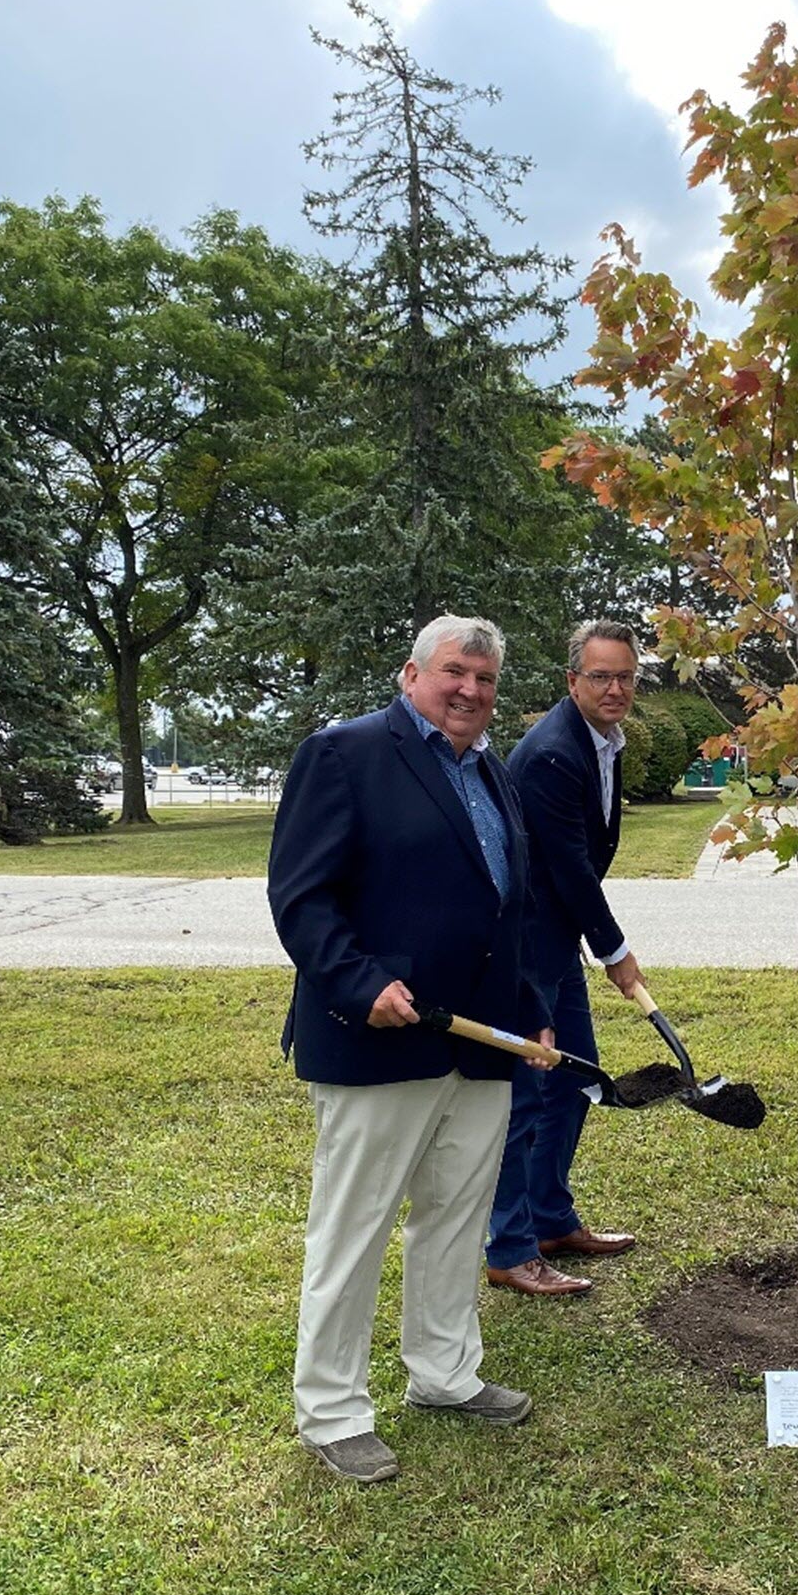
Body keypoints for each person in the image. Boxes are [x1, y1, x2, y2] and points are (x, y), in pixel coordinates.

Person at [267, 613, 559, 1484]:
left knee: (456, 1218)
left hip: (481, 1044)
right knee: (354, 1229)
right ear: (411, 674)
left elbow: (509, 907)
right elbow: (302, 896)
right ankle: (331, 1410)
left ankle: (444, 1373)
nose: (470, 690)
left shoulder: (492, 772)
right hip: (379, 1040)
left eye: (485, 679)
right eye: (454, 672)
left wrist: (533, 1012)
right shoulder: (344, 754)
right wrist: (360, 985)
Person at [487, 619, 646, 1298]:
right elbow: (570, 867)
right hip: (526, 948)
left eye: (625, 677)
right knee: (526, 1093)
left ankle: (551, 1219)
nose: (615, 689)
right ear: (572, 680)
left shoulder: (601, 741)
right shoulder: (554, 753)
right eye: (601, 676)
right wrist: (616, 951)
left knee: (578, 1078)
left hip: (557, 938)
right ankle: (509, 1248)